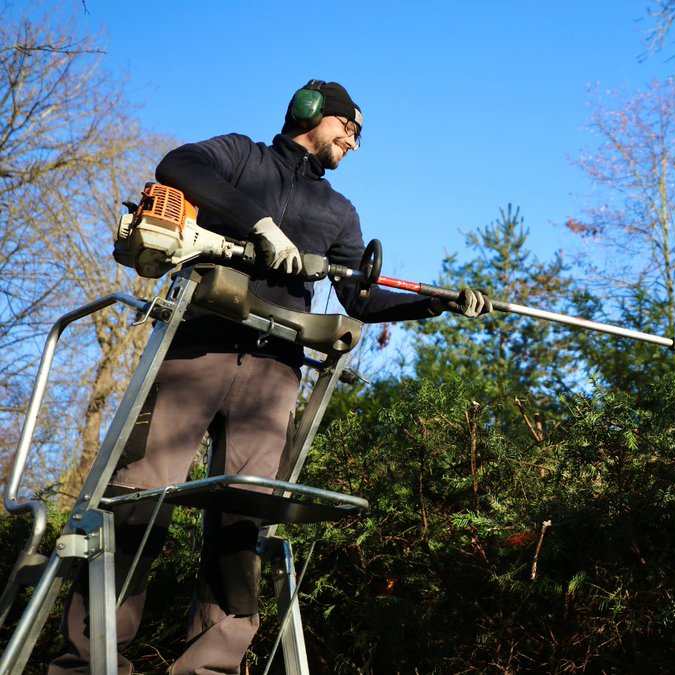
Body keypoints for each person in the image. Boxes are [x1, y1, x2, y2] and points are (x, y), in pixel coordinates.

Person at [49, 80, 491, 675]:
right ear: (315, 114)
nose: (353, 144)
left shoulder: (338, 212)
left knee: (245, 518)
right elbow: (177, 165)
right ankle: (90, 660)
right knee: (139, 497)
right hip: (198, 346)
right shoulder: (239, 156)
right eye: (350, 130)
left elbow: (360, 298)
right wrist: (257, 223)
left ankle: (209, 667)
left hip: (275, 367)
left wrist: (434, 303)